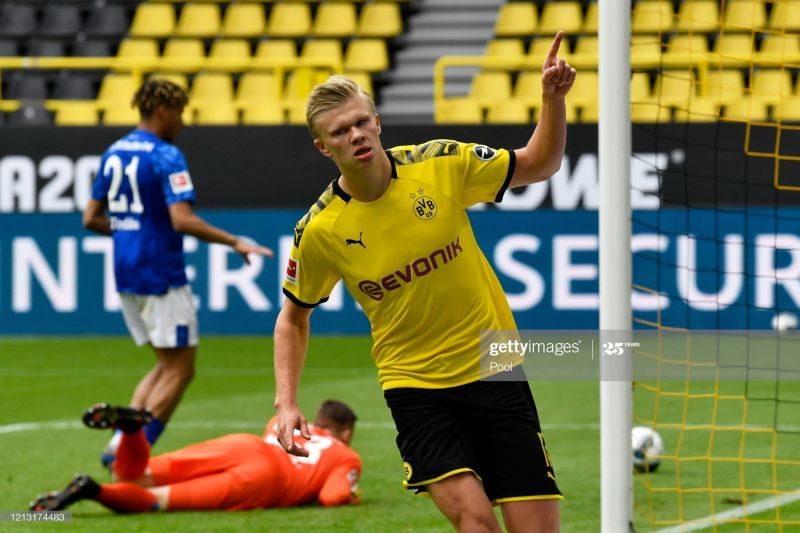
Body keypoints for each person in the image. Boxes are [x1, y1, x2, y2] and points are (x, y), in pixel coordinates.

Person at [273, 31, 575, 532]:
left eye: (361, 122)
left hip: (495, 364)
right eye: (340, 131)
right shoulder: (320, 231)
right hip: (415, 384)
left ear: (377, 121)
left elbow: (539, 163)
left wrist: (552, 100)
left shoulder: (439, 163)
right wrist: (286, 403)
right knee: (476, 523)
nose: (355, 136)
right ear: (323, 147)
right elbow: (292, 318)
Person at [82, 79, 273, 467]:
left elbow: (91, 218)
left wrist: (128, 230)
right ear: (164, 110)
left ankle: (118, 444)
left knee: (166, 364)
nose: (183, 123)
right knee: (182, 370)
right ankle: (133, 456)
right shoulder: (166, 155)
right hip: (160, 271)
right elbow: (182, 220)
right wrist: (234, 242)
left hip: (126, 270)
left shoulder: (114, 152)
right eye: (181, 113)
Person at [30, 400, 361, 513]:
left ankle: (131, 430)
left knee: (130, 475)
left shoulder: (284, 421)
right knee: (153, 498)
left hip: (244, 445)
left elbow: (276, 437)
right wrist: (352, 494)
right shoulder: (345, 455)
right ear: (345, 433)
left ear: (319, 421)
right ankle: (91, 490)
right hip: (266, 479)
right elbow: (333, 497)